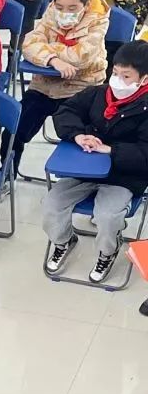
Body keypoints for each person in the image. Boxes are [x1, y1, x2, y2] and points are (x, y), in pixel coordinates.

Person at [43, 39, 148, 284]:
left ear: (144, 79)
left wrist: (110, 150)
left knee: (107, 216)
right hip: (84, 168)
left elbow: (145, 153)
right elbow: (66, 112)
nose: (118, 80)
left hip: (123, 176)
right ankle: (64, 241)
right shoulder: (98, 93)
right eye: (115, 73)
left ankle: (107, 252)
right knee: (51, 204)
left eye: (126, 76)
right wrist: (79, 135)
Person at [13, 0, 109, 177]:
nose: (64, 13)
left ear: (86, 5)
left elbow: (80, 57)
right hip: (44, 86)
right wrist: (53, 60)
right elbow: (28, 44)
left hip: (80, 89)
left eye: (72, 9)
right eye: (60, 7)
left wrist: (47, 48)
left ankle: (76, 180)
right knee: (14, 130)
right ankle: (7, 175)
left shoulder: (98, 20)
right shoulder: (51, 12)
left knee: (82, 137)